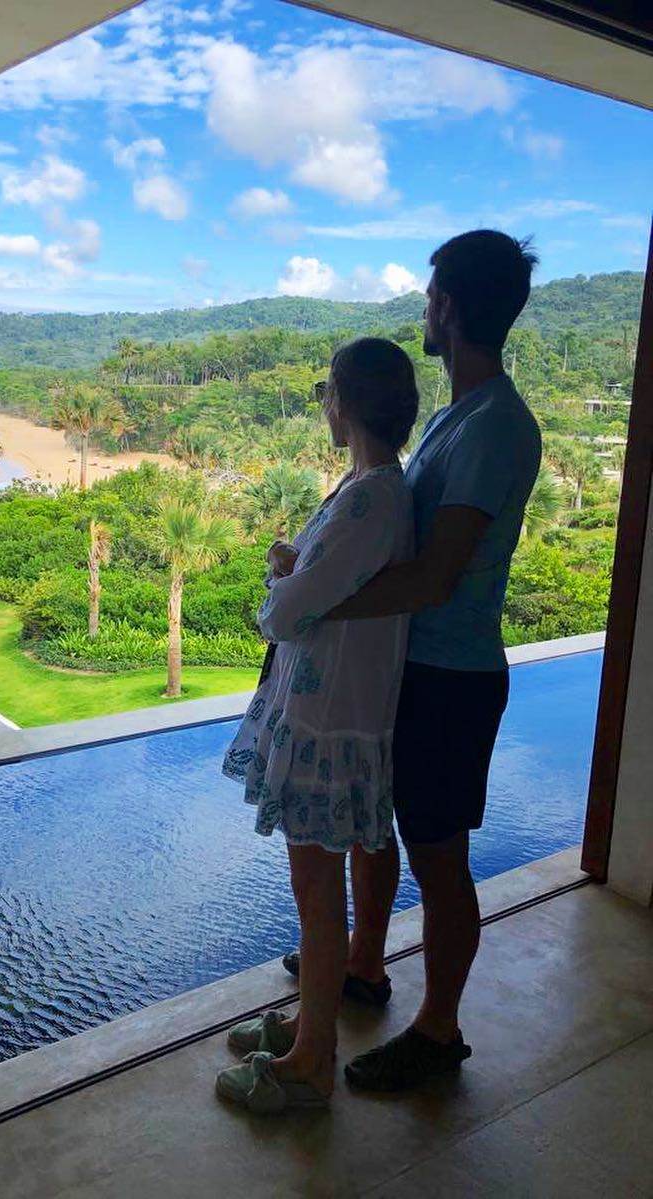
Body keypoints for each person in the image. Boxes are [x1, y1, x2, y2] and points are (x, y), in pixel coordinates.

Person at [285, 229, 542, 1092]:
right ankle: (362, 963)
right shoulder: (453, 417)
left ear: (449, 308)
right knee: (371, 826)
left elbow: (434, 577)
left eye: (430, 296)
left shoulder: (495, 426)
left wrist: (311, 599)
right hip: (411, 668)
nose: (424, 310)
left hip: (450, 678)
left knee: (438, 858)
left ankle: (438, 1030)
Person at [215, 337, 418, 1113]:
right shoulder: (370, 486)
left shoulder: (371, 498)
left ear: (346, 403)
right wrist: (297, 566)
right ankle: (311, 1024)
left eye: (327, 392)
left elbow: (286, 612)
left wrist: (282, 578)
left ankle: (309, 1062)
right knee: (317, 885)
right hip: (331, 710)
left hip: (327, 718)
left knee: (315, 890)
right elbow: (324, 580)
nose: (324, 404)